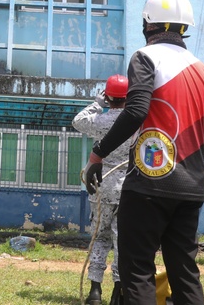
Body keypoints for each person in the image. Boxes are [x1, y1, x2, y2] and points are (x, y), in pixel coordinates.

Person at [86, 0, 204, 305]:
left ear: (148, 24)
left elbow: (135, 111)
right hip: (191, 186)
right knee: (184, 272)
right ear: (184, 27)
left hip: (148, 185)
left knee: (137, 270)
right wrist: (182, 160)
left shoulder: (146, 57)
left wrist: (98, 153)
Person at [72, 75, 134, 305]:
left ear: (108, 96)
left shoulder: (99, 120)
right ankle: (118, 292)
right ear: (128, 98)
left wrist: (97, 103)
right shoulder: (135, 122)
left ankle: (95, 291)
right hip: (126, 188)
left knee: (99, 238)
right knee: (122, 241)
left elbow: (78, 120)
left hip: (100, 186)